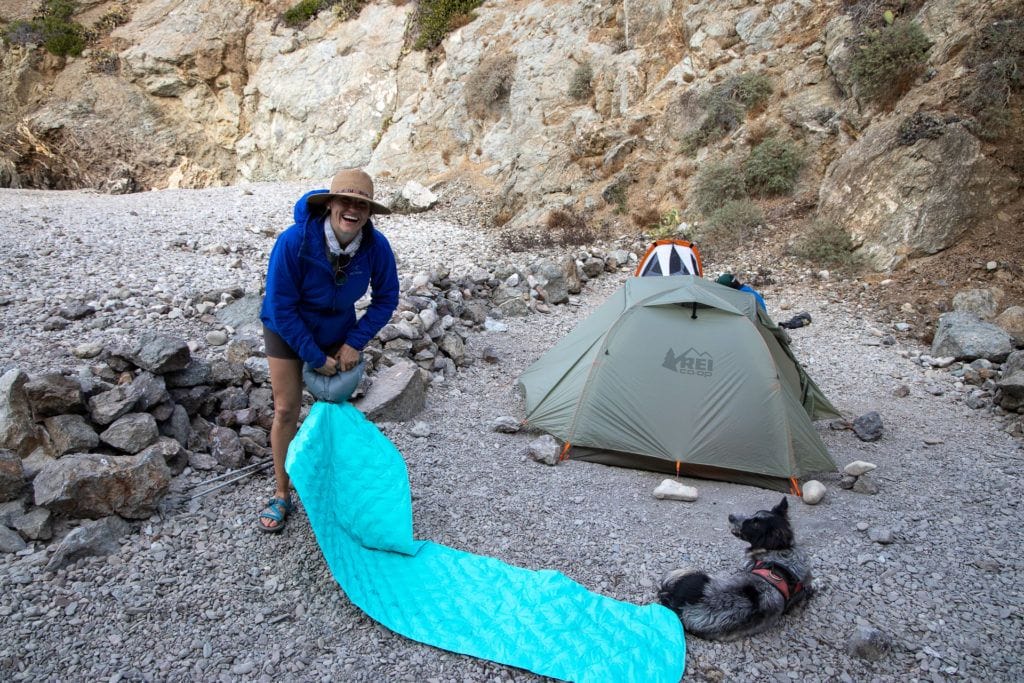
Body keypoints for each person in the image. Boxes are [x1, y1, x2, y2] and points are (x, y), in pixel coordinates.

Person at [256, 168, 399, 532]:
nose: (353, 210)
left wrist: (354, 341)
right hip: (286, 329)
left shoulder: (375, 247)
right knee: (287, 409)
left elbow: (387, 299)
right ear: (330, 203)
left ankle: (335, 486)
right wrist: (315, 357)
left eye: (361, 205)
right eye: (345, 201)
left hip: (338, 331)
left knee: (334, 410)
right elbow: (282, 306)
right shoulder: (294, 243)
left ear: (368, 212)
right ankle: (281, 493)